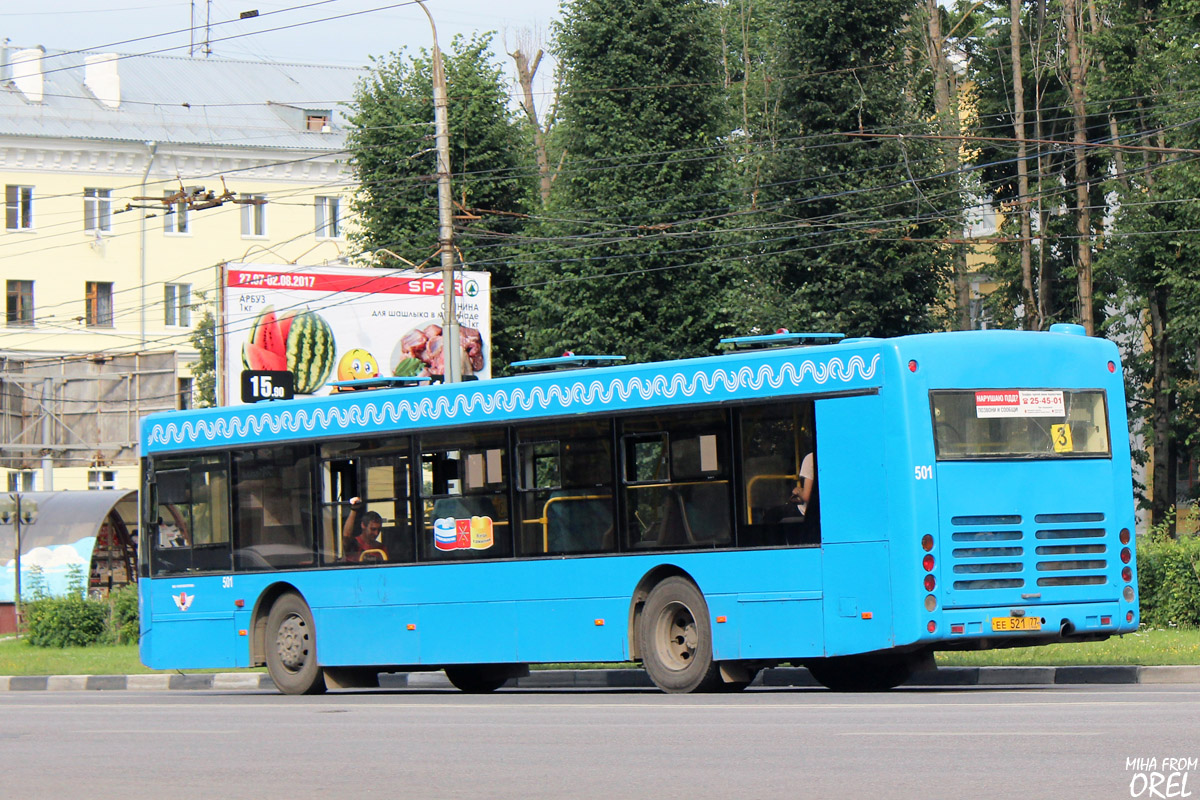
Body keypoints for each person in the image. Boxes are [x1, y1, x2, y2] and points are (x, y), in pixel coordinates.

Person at [764, 452, 815, 523]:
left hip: (806, 512)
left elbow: (807, 497)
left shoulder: (810, 458)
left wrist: (799, 491)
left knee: (771, 514)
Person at [341, 497, 387, 562]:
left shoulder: (381, 548)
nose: (376, 533)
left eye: (379, 530)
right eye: (373, 529)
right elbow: (347, 535)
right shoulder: (353, 544)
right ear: (363, 525)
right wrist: (354, 509)